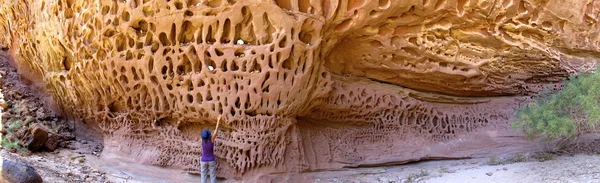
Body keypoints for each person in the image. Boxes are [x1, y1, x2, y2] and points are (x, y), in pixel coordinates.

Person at [201, 115, 221, 183]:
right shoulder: (212, 139)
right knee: (212, 176)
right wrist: (218, 120)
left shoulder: (202, 141)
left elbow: (204, 136)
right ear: (209, 135)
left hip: (203, 160)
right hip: (211, 160)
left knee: (203, 176)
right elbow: (216, 129)